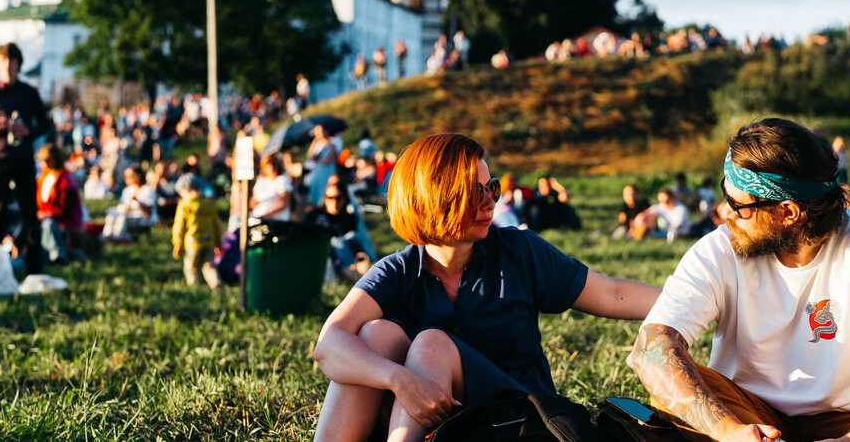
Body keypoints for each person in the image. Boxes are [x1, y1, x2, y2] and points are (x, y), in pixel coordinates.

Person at [629, 118, 850, 442]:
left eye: (738, 204)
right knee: (675, 388)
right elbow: (651, 348)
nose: (725, 212)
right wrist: (729, 432)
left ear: (789, 212)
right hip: (750, 412)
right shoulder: (720, 248)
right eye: (724, 193)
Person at [312, 133, 661, 442]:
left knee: (431, 344)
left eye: (491, 187)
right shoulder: (397, 271)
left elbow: (611, 293)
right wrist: (398, 379)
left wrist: (696, 299)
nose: (491, 201)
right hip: (440, 423)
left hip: (521, 422)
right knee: (375, 336)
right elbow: (329, 345)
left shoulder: (519, 251)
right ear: (432, 198)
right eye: (474, 192)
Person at [0, 42, 52, 276]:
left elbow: (44, 123)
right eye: (4, 60)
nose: (8, 65)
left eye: (12, 60)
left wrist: (29, 131)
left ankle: (34, 267)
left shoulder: (28, 92)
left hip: (23, 156)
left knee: (29, 211)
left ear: (18, 64)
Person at [171, 173, 223, 289]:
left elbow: (180, 226)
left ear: (186, 190)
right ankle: (216, 284)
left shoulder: (184, 205)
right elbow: (216, 224)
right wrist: (218, 242)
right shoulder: (209, 204)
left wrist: (177, 244)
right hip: (209, 240)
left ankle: (194, 288)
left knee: (191, 267)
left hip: (192, 243)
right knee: (209, 266)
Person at [102, 166, 156, 241]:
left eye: (129, 176)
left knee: (122, 217)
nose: (126, 178)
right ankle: (107, 236)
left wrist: (137, 201)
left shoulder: (147, 190)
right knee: (112, 214)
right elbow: (125, 209)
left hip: (143, 218)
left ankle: (117, 238)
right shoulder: (127, 190)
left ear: (137, 176)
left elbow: (148, 213)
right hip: (129, 215)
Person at [249, 155, 292, 222]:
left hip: (276, 221)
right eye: (268, 163)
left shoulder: (283, 179)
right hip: (258, 219)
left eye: (273, 163)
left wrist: (267, 215)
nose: (271, 166)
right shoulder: (261, 181)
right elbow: (253, 202)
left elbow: (284, 202)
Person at [307, 125, 339, 206]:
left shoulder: (333, 144)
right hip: (318, 172)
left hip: (327, 172)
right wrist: (313, 143)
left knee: (325, 189)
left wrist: (316, 160)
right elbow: (310, 156)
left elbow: (327, 161)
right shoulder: (317, 145)